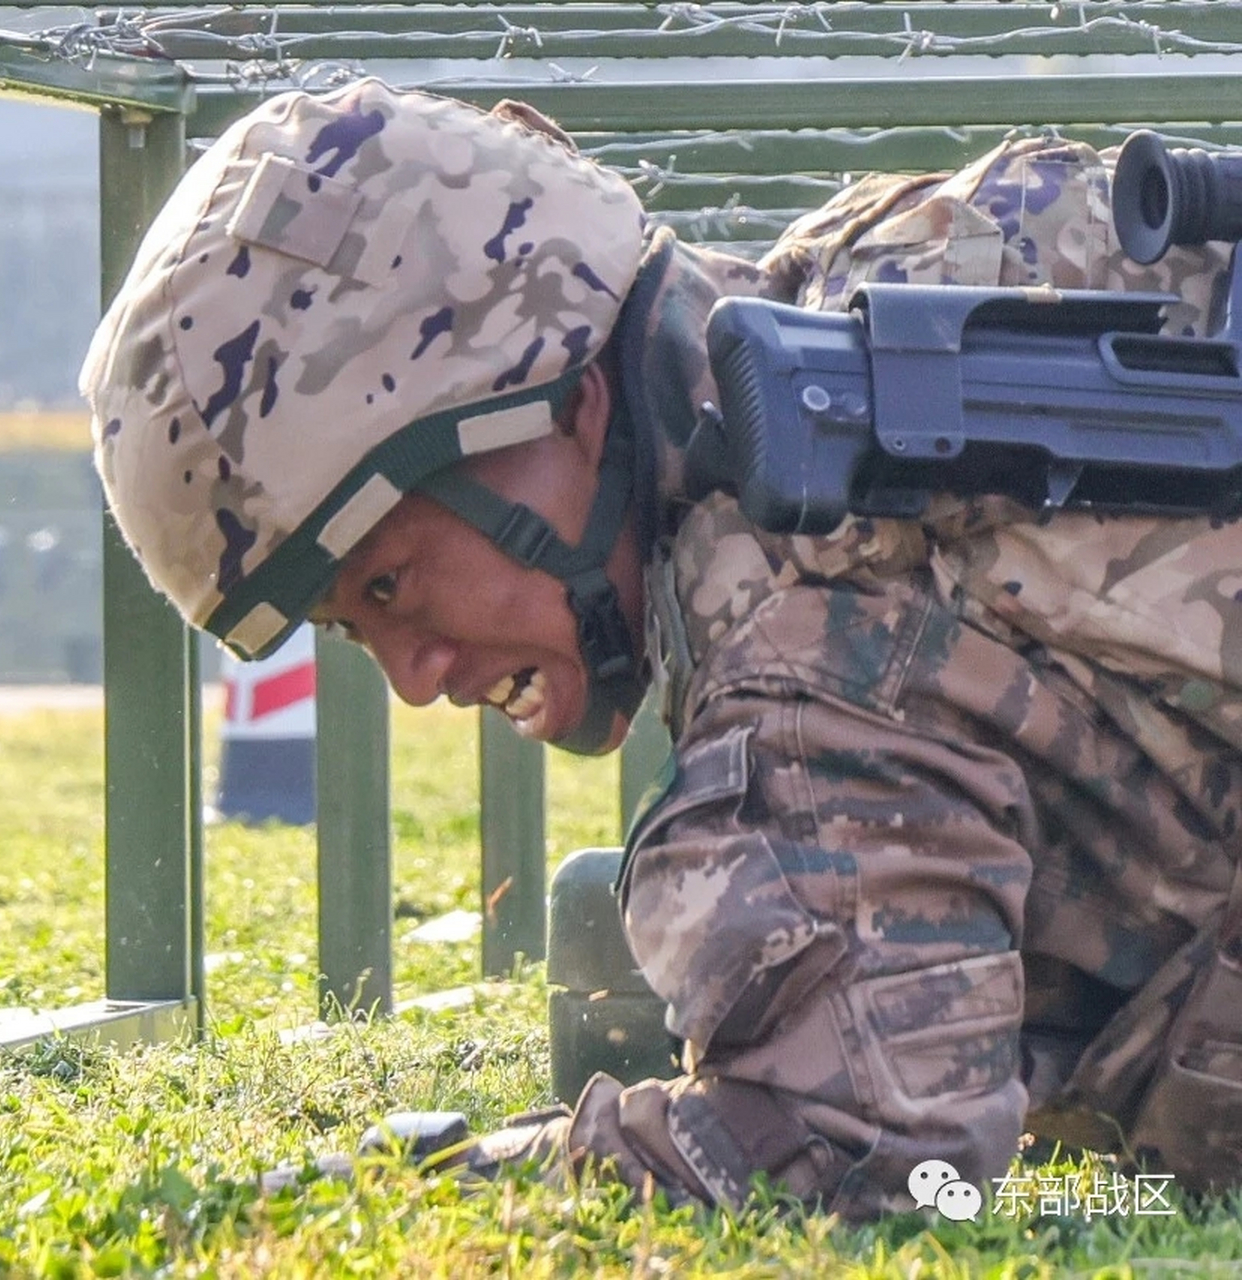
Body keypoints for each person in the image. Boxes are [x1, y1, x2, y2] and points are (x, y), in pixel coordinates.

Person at [80, 79, 1242, 1218]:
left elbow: (857, 1144)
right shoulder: (880, 294)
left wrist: (413, 1183)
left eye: (391, 582)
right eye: (353, 624)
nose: (414, 675)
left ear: (564, 406)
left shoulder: (808, 641)